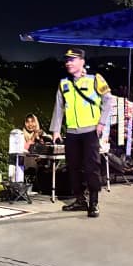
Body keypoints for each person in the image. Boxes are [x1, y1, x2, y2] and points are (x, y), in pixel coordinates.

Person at [48, 47, 114, 218]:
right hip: (72, 133)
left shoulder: (95, 79)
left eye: (72, 60)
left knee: (92, 168)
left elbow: (108, 100)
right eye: (67, 60)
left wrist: (101, 122)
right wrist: (56, 130)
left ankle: (94, 203)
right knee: (73, 167)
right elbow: (59, 108)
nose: (68, 63)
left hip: (90, 131)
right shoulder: (64, 83)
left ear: (82, 61)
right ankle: (79, 200)